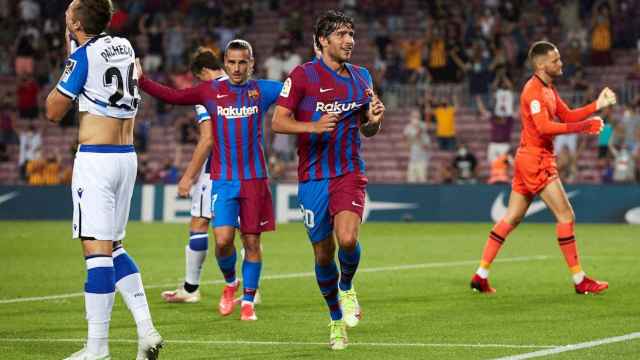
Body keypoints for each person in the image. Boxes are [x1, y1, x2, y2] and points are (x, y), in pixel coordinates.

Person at [44, 1, 162, 359]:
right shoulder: (124, 45)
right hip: (126, 158)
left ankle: (97, 349)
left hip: (96, 161)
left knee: (96, 253)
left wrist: (68, 69)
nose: (66, 12)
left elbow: (52, 112)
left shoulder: (82, 58)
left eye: (70, 11)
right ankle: (147, 331)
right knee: (115, 247)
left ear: (77, 22)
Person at [137, 39, 282, 321]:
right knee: (223, 240)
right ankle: (231, 283)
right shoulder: (211, 91)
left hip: (255, 179)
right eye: (232, 62)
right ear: (224, 64)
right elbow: (173, 96)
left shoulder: (263, 90)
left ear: (252, 63)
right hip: (224, 179)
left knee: (252, 242)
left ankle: (249, 301)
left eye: (243, 62)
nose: (238, 68)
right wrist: (142, 81)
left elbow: (299, 94)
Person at [271, 10, 385, 350]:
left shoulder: (362, 76)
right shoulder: (303, 75)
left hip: (349, 170)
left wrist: (375, 120)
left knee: (347, 239)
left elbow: (368, 129)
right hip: (312, 178)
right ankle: (336, 321)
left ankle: (347, 287)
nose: (349, 40)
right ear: (323, 40)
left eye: (351, 33)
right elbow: (278, 121)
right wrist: (312, 127)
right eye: (341, 34)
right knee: (323, 254)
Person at [470, 41, 616, 295]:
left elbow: (568, 115)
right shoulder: (533, 91)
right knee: (566, 215)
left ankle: (480, 275)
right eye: (556, 60)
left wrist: (597, 105)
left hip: (529, 158)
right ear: (540, 64)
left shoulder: (548, 89)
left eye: (560, 59)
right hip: (537, 160)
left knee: (512, 218)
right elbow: (544, 128)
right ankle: (580, 280)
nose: (561, 64)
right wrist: (585, 127)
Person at [160, 50, 227, 304]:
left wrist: (188, 177)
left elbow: (207, 139)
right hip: (247, 169)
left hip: (215, 170)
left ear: (201, 73)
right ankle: (251, 291)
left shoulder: (206, 93)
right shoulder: (241, 87)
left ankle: (190, 289)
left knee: (199, 223)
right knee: (247, 232)